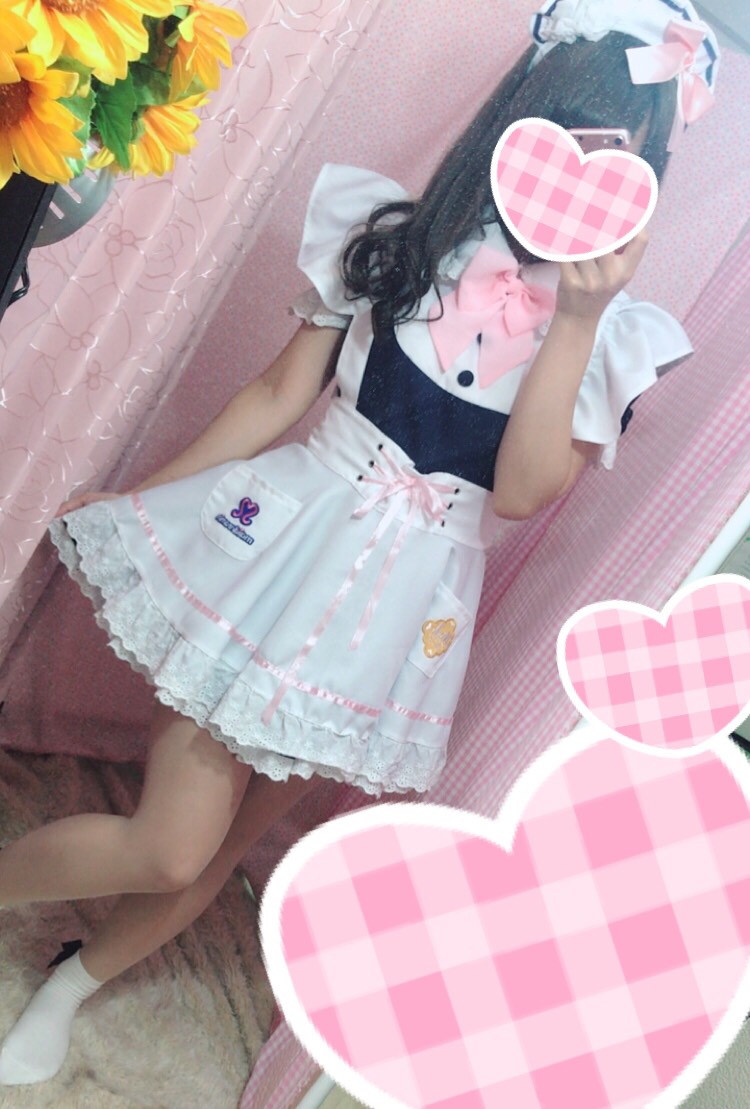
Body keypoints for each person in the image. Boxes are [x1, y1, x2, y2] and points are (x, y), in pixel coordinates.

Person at [0, 0, 719, 1087]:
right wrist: (144, 504)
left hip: (395, 627)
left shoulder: (612, 341)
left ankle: (72, 982)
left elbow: (522, 492)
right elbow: (276, 392)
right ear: (523, 124)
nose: (587, 176)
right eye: (576, 134)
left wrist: (575, 321)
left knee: (224, 844)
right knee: (171, 841)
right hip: (278, 550)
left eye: (629, 158)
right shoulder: (396, 237)